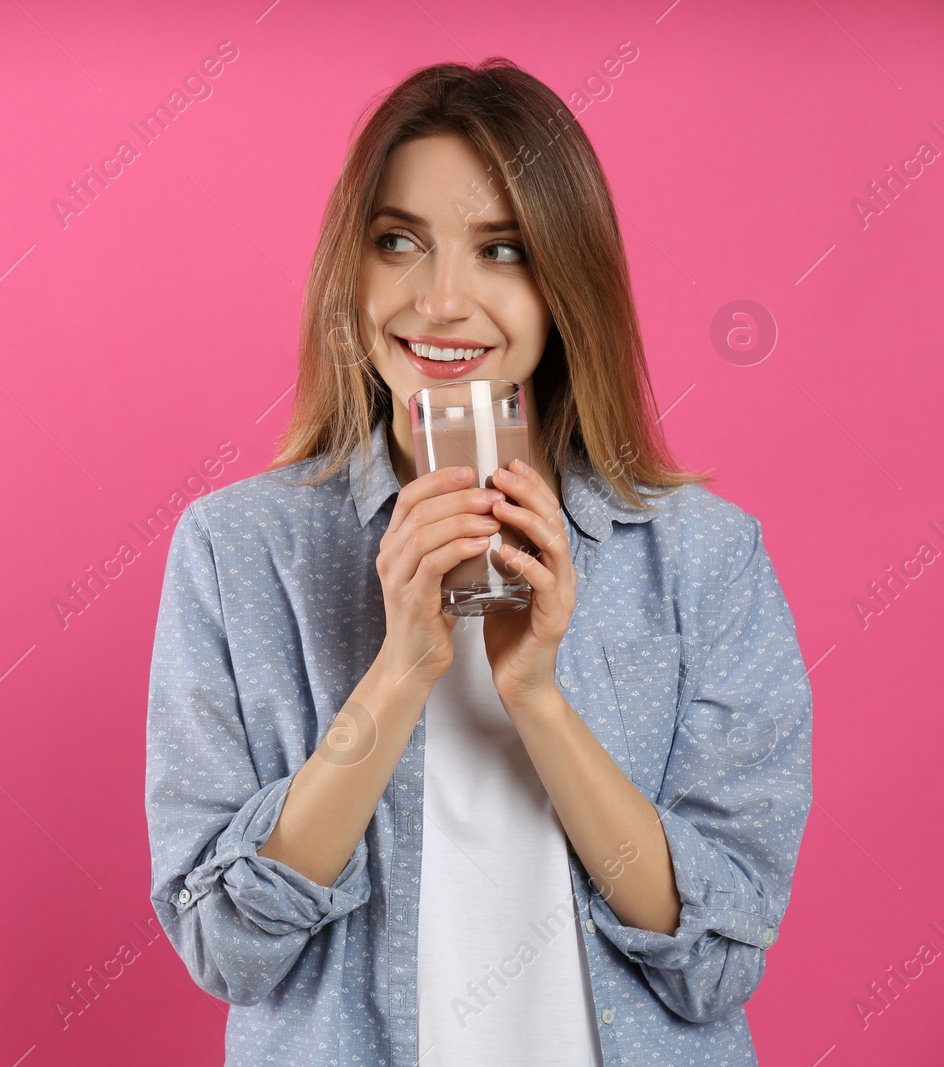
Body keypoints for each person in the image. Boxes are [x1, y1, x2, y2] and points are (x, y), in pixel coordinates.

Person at [143, 57, 812, 1066]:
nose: (442, 299)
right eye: (398, 242)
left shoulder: (703, 557)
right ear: (350, 269)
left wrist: (534, 693)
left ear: (563, 284)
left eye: (500, 249)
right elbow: (226, 940)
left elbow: (715, 957)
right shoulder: (239, 550)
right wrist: (402, 665)